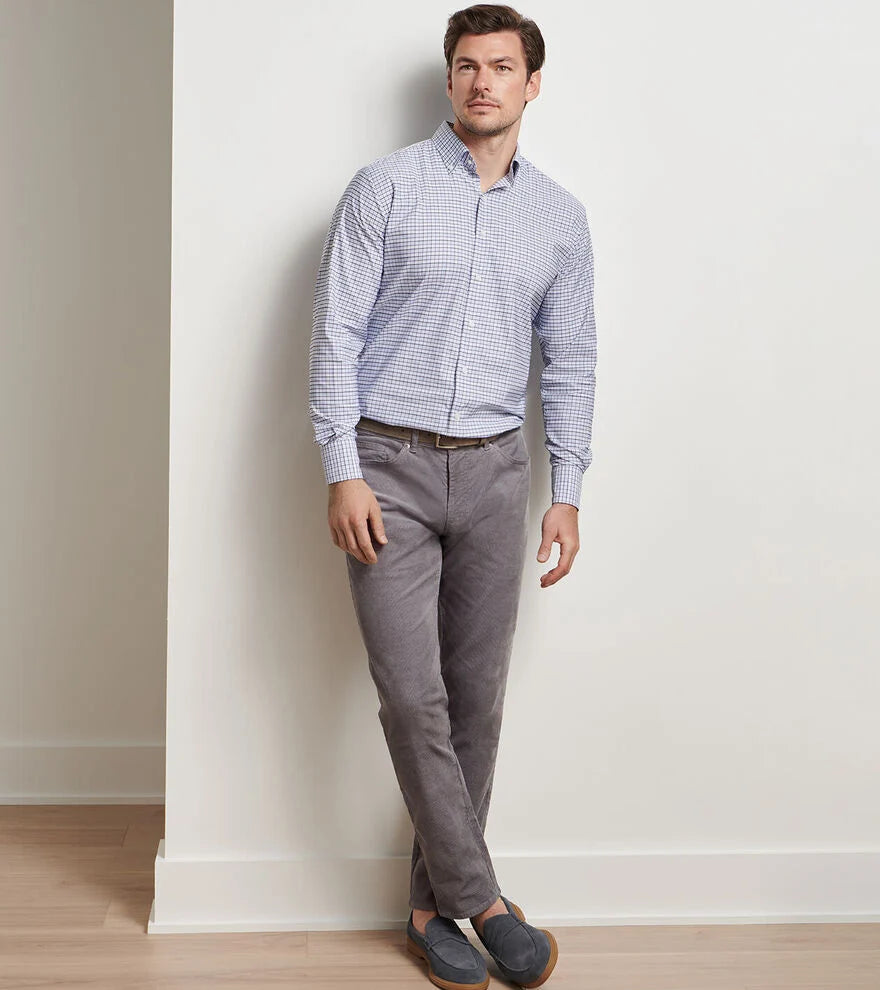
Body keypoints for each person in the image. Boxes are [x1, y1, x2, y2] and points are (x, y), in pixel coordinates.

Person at [308, 4, 596, 987]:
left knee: (476, 699)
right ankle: (487, 903)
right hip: (385, 467)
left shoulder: (558, 218)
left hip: (496, 474)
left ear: (531, 84)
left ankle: (430, 908)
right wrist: (342, 466)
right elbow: (336, 333)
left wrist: (567, 488)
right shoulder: (383, 189)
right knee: (411, 696)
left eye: (502, 67)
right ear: (449, 80)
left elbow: (570, 361)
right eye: (467, 65)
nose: (483, 81)